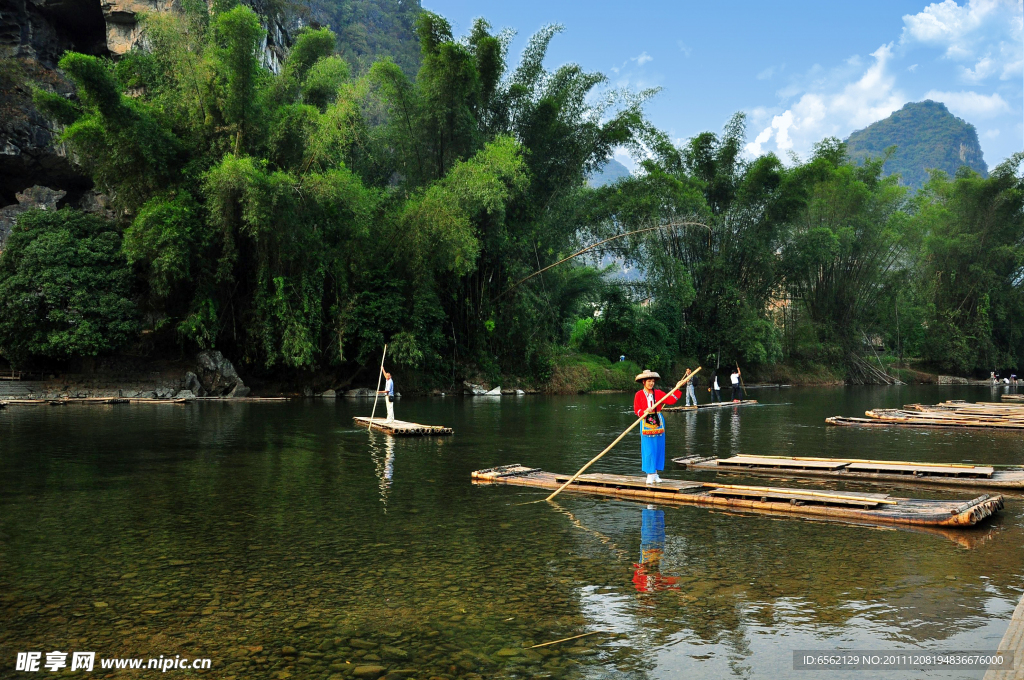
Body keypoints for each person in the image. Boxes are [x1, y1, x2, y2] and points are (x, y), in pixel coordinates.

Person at [633, 369, 684, 485]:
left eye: (652, 381)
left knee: (659, 447)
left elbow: (671, 400)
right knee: (649, 449)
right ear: (643, 382)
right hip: (646, 421)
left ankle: (655, 473)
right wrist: (644, 412)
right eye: (649, 381)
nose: (651, 383)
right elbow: (637, 410)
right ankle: (649, 474)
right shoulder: (639, 395)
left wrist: (678, 388)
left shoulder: (658, 393)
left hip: (659, 422)